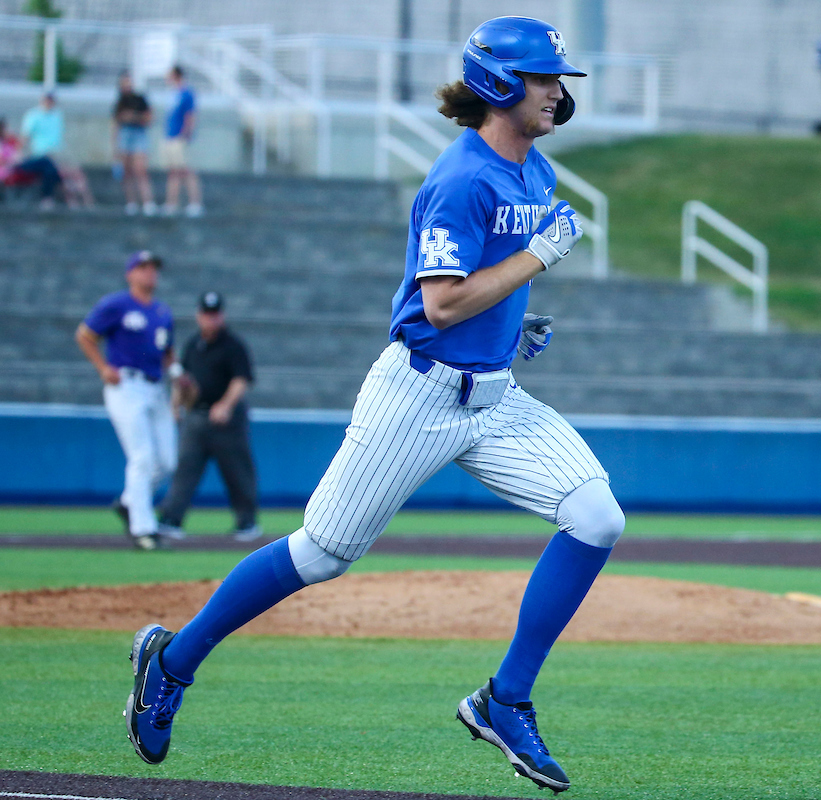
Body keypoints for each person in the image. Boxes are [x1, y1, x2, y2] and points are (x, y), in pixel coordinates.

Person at [124, 17, 622, 795]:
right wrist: (536, 259)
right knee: (321, 554)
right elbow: (444, 305)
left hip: (494, 396)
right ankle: (172, 660)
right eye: (544, 77)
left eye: (560, 78)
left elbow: (481, 293)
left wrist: (513, 321)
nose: (558, 90)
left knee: (597, 517)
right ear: (500, 86)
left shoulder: (536, 174)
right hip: (420, 392)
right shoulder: (461, 177)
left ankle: (505, 699)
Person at [76, 251, 179, 551]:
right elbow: (85, 335)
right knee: (142, 457)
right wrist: (103, 368)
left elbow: (167, 352)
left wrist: (177, 374)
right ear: (130, 274)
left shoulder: (162, 312)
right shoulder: (116, 304)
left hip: (155, 386)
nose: (150, 274)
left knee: (167, 461)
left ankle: (128, 502)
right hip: (126, 385)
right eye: (143, 268)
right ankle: (143, 530)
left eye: (153, 269)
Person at [157, 292, 261, 544]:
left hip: (226, 420)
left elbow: (241, 379)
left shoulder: (232, 345)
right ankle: (171, 519)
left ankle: (246, 523)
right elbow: (183, 379)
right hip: (197, 416)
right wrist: (175, 404)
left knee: (237, 472)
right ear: (198, 315)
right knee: (185, 469)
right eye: (206, 314)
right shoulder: (194, 344)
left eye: (215, 315)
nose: (210, 320)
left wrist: (225, 405)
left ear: (221, 316)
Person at [112, 70, 156, 215]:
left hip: (138, 134)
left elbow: (149, 118)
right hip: (125, 135)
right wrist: (115, 146)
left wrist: (134, 117)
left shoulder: (140, 99)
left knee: (140, 170)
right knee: (127, 172)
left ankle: (148, 202)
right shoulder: (119, 101)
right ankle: (131, 202)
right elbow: (116, 123)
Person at [162, 65, 203, 217]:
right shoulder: (174, 94)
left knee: (186, 170)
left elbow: (190, 115)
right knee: (173, 171)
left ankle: (195, 203)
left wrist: (185, 134)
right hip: (171, 136)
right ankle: (171, 203)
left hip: (179, 137)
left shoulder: (187, 93)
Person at [17, 92, 63, 210]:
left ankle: (48, 199)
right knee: (48, 165)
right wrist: (19, 154)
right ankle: (47, 198)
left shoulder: (57, 116)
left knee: (50, 167)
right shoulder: (33, 115)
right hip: (36, 156)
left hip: (52, 157)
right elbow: (25, 137)